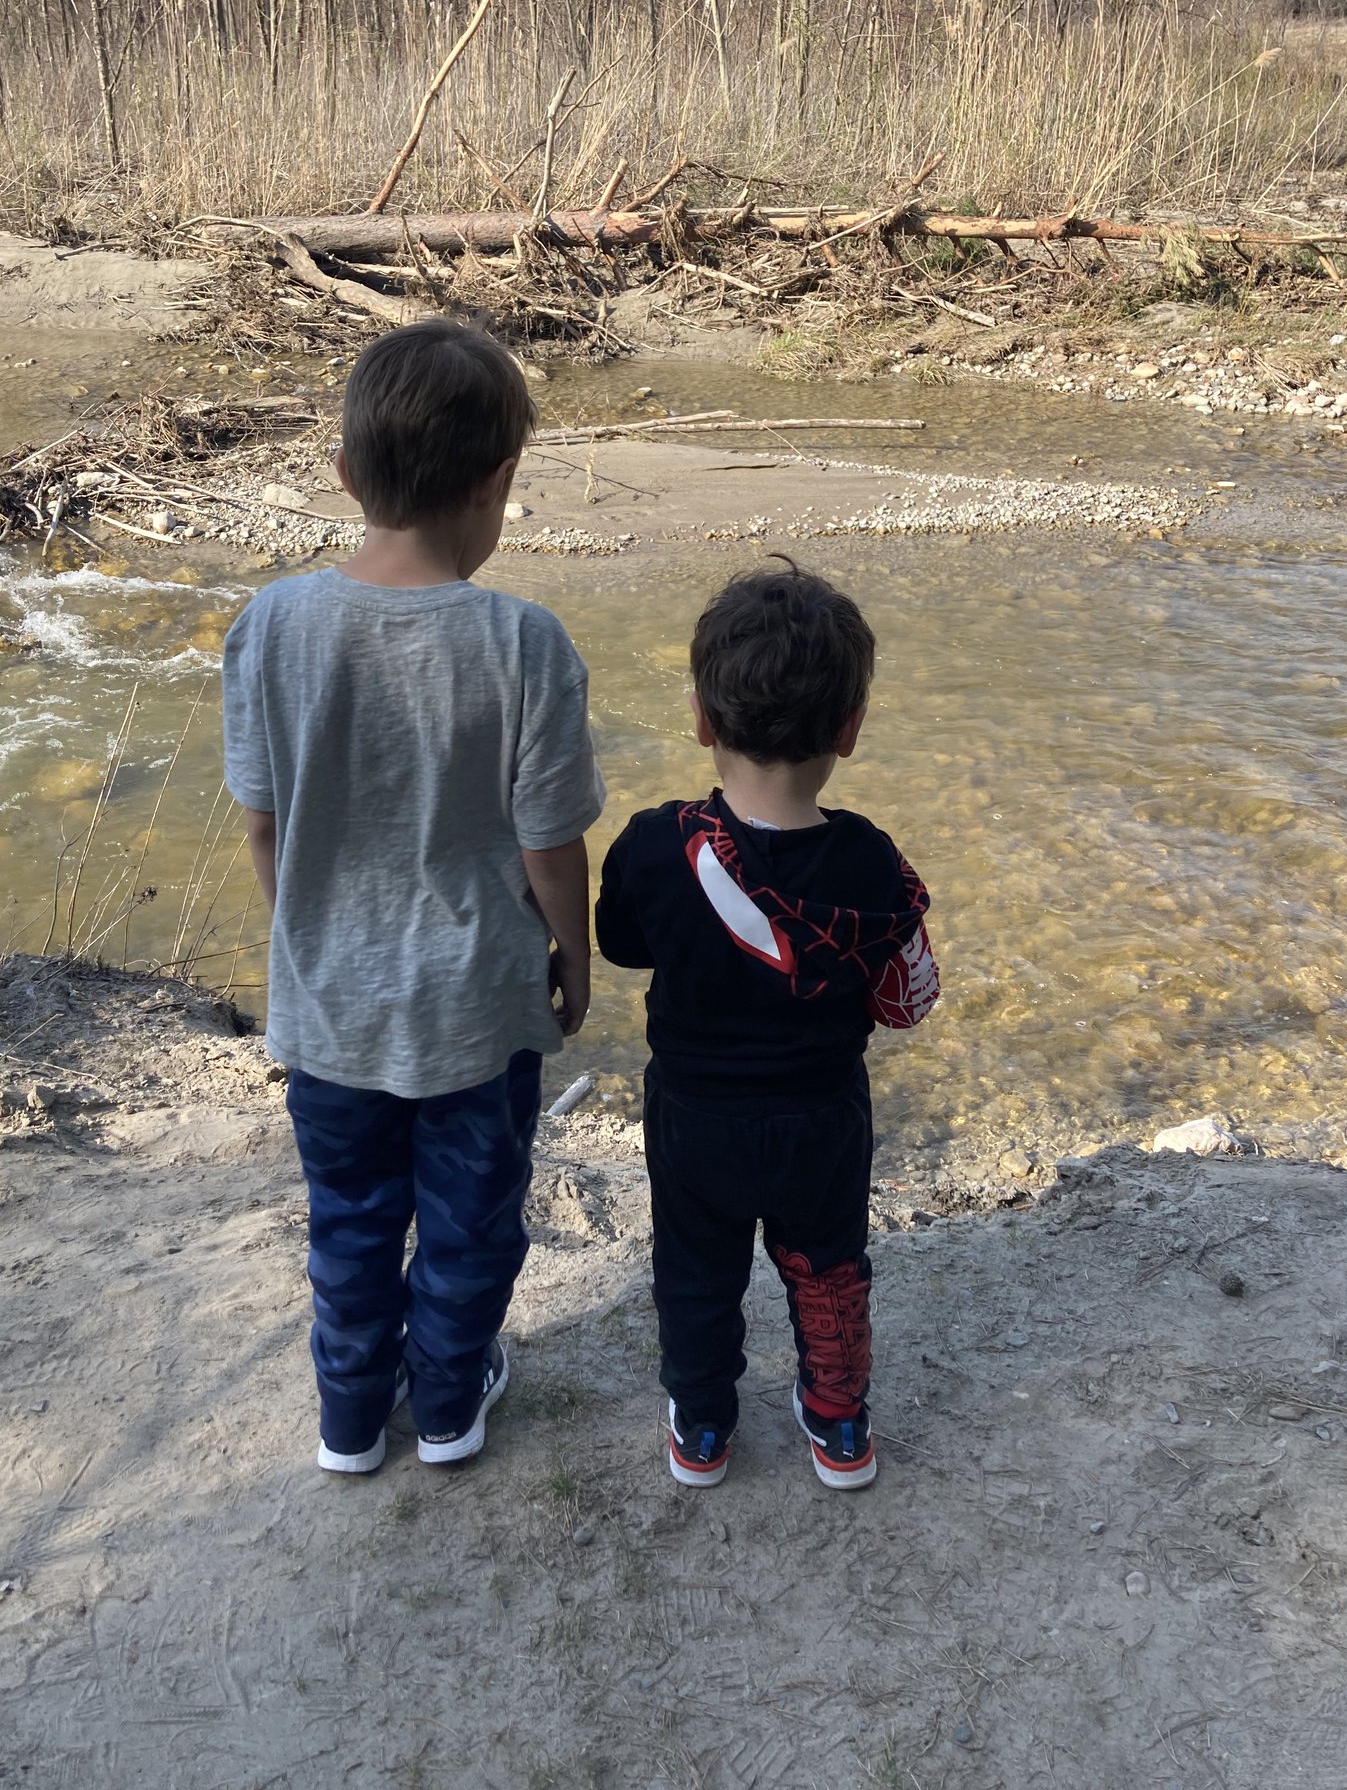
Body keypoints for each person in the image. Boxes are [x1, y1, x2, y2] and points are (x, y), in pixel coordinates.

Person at [223, 319, 604, 1476]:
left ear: (345, 473)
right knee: (470, 1219)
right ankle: (446, 1405)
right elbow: (550, 844)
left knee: (347, 1222)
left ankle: (349, 1418)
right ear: (499, 482)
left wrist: (306, 934)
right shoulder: (525, 642)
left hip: (330, 1009)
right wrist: (574, 956)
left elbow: (263, 821)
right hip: (475, 1012)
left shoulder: (271, 623)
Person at [595, 560, 938, 1491]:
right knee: (829, 1270)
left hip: (694, 1114)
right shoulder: (872, 860)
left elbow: (621, 945)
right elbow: (908, 996)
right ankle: (839, 1423)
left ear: (702, 720)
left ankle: (703, 1426)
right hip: (823, 1115)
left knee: (694, 1270)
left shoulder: (655, 844)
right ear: (850, 730)